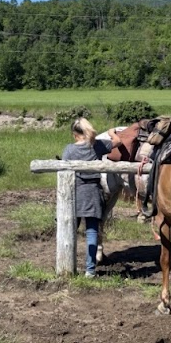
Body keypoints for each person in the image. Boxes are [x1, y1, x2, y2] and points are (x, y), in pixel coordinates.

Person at [61, 117, 116, 277]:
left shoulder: (69, 149)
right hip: (92, 192)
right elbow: (117, 142)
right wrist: (112, 132)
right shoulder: (97, 146)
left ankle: (66, 268)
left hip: (73, 193)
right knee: (92, 232)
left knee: (69, 230)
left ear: (74, 134)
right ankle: (90, 270)